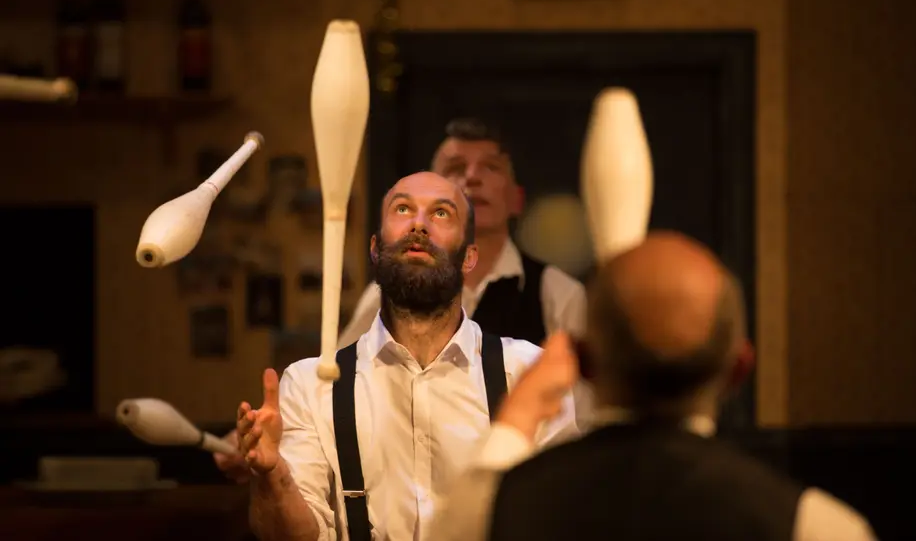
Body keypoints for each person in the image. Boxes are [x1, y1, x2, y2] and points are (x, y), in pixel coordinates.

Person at [433, 232, 877, 541]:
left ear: (583, 361)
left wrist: (516, 419)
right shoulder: (814, 526)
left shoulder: (494, 512)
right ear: (739, 370)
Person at [237, 171, 580, 541]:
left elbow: (562, 518)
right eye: (403, 209)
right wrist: (272, 476)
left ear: (469, 258)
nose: (419, 224)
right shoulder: (310, 386)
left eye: (441, 213)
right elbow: (295, 537)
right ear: (374, 248)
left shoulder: (528, 373)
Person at [339, 117, 586, 348]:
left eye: (491, 167)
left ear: (516, 199)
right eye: (456, 168)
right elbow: (341, 372)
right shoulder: (389, 293)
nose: (472, 177)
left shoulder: (559, 296)